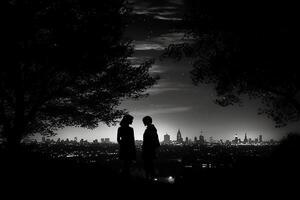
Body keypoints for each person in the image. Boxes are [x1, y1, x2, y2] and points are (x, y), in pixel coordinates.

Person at [142, 116, 160, 180]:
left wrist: (155, 150)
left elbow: (155, 140)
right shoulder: (150, 128)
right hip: (149, 149)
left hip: (149, 150)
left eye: (144, 121)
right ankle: (149, 177)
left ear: (147, 121)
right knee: (149, 165)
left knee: (149, 165)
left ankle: (150, 178)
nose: (143, 122)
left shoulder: (151, 128)